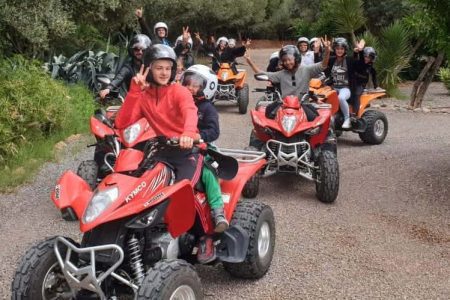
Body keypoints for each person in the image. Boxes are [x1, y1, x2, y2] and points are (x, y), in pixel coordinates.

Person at [115, 44, 202, 184]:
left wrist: (188, 133)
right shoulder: (143, 97)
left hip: (188, 150)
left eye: (168, 68)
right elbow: (121, 123)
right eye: (159, 68)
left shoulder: (180, 91)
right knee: (141, 185)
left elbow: (190, 112)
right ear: (149, 70)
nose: (164, 73)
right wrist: (134, 91)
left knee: (183, 188)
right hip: (163, 151)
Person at [180, 64, 229, 233]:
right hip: (176, 145)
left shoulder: (207, 108)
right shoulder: (178, 103)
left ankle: (218, 212)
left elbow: (214, 131)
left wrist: (198, 136)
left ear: (205, 88)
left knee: (208, 171)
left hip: (202, 146)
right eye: (188, 84)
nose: (191, 88)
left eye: (195, 85)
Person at [323, 37, 364, 128]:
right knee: (320, 98)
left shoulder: (349, 60)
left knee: (341, 98)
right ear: (334, 49)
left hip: (345, 88)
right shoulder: (332, 60)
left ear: (345, 49)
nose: (339, 50)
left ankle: (347, 119)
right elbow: (322, 65)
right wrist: (321, 51)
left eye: (342, 49)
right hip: (333, 87)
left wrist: (360, 52)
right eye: (337, 48)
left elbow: (360, 66)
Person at [99, 34, 151, 99]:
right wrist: (108, 89)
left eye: (143, 50)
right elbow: (120, 77)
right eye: (136, 49)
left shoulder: (152, 66)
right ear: (131, 50)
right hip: (134, 98)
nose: (140, 52)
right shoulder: (128, 66)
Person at [351, 46, 379, 114]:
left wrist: (376, 86)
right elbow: (355, 60)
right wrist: (355, 52)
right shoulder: (358, 63)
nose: (367, 59)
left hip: (360, 85)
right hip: (352, 82)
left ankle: (355, 113)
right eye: (365, 57)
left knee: (357, 94)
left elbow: (374, 76)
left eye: (369, 57)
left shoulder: (370, 67)